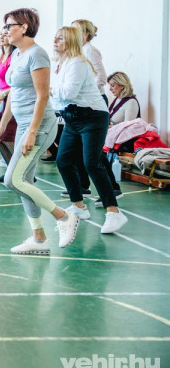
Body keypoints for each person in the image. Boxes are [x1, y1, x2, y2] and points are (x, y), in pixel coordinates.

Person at [0, 9, 79, 254]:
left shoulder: (37, 54)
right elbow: (14, 93)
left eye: (9, 26)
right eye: (5, 26)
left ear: (25, 27)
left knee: (13, 180)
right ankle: (39, 239)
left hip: (39, 126)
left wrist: (31, 131)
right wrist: (1, 124)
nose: (5, 31)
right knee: (25, 181)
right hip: (22, 123)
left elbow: (42, 96)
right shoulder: (17, 54)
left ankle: (64, 217)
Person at [51, 26, 127, 234]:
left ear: (72, 41)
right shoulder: (58, 64)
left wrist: (48, 90)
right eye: (55, 38)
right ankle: (78, 206)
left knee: (91, 163)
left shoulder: (78, 63)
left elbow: (68, 92)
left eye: (61, 38)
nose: (55, 41)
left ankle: (114, 212)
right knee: (64, 160)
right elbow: (58, 98)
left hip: (93, 117)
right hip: (73, 117)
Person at [0, 29, 17, 181]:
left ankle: (19, 172)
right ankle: (12, 171)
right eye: (0, 34)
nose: (1, 37)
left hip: (12, 99)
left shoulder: (15, 57)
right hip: (3, 98)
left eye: (5, 34)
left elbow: (16, 84)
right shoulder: (2, 56)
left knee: (5, 135)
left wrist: (2, 95)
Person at [71, 19, 107, 102]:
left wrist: (87, 95)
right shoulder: (78, 50)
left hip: (94, 100)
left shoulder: (89, 50)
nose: (71, 33)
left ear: (85, 34)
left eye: (75, 30)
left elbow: (101, 77)